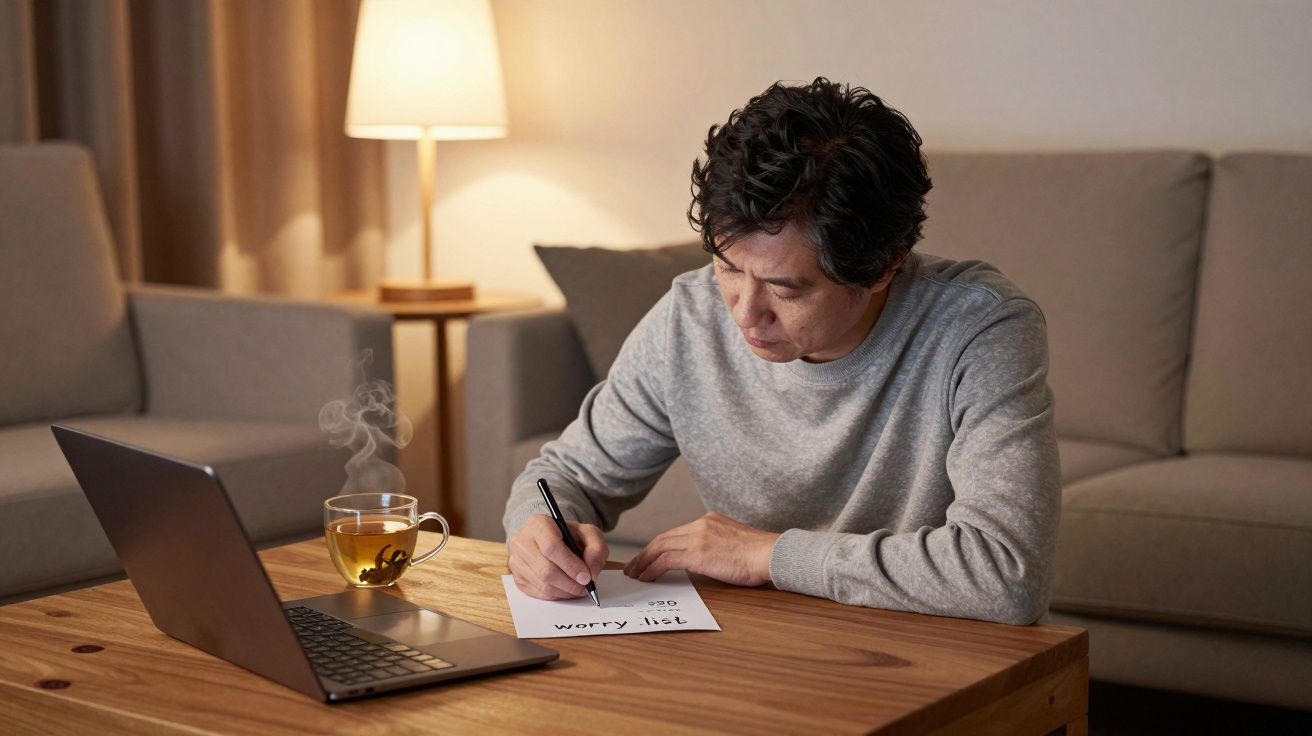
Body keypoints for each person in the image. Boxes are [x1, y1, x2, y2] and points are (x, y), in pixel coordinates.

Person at [503, 77, 1060, 625]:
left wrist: (767, 555)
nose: (744, 312)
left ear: (884, 266)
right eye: (726, 267)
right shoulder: (690, 317)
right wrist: (537, 532)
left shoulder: (979, 327)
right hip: (756, 647)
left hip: (920, 652)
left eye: (785, 288)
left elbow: (1007, 574)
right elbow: (565, 477)